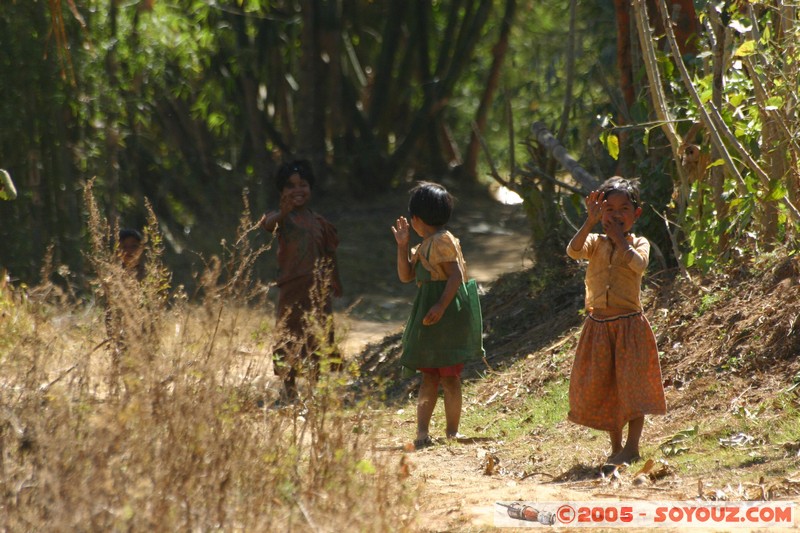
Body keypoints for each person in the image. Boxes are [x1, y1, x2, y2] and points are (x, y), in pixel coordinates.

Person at [566, 176, 666, 470]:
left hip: (629, 327)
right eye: (609, 209)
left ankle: (632, 447)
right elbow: (573, 251)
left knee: (632, 389)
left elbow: (639, 265)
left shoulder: (638, 243)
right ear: (600, 213)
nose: (616, 215)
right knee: (610, 386)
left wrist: (622, 241)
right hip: (599, 327)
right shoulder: (594, 243)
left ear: (637, 214)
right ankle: (616, 447)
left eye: (624, 209)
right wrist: (588, 222)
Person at [391, 181, 484, 450]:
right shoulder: (423, 245)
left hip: (447, 313)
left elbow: (454, 276)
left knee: (450, 377)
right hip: (431, 313)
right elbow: (405, 276)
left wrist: (441, 306)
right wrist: (402, 245)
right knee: (429, 376)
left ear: (416, 218)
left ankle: (452, 432)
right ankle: (422, 432)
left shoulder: (442, 241)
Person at [259, 159, 342, 403]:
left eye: (303, 184)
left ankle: (316, 389)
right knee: (288, 335)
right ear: (281, 192)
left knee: (319, 335)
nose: (298, 190)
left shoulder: (319, 223)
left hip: (318, 290)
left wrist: (335, 280)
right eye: (290, 186)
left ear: (311, 188)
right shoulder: (282, 219)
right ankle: (289, 389)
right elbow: (266, 224)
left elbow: (330, 254)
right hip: (291, 287)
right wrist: (282, 213)